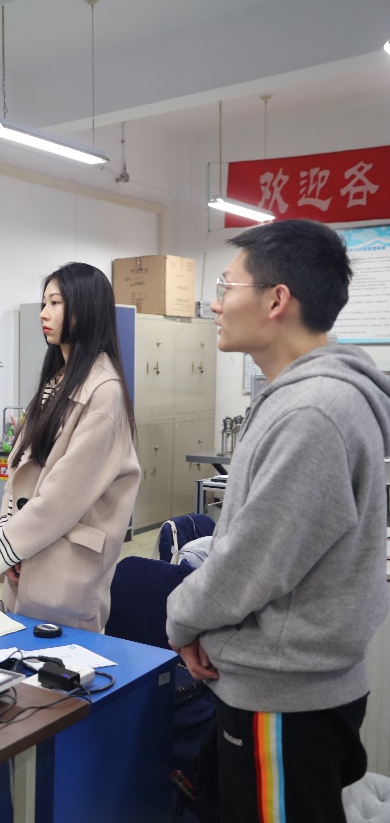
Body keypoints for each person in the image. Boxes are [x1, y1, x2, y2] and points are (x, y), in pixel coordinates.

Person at [166, 219, 390, 821]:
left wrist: (181, 618)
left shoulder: (312, 411)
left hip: (285, 698)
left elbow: (250, 563)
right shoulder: (300, 397)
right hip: (284, 683)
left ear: (276, 300)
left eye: (226, 286)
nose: (214, 304)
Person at [0, 262, 139, 631]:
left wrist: (9, 548)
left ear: (85, 310)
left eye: (55, 303)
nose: (43, 313)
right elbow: (18, 472)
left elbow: (65, 493)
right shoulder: (58, 380)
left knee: (61, 659)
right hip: (30, 552)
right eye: (44, 303)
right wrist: (10, 541)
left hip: (64, 564)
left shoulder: (104, 390)